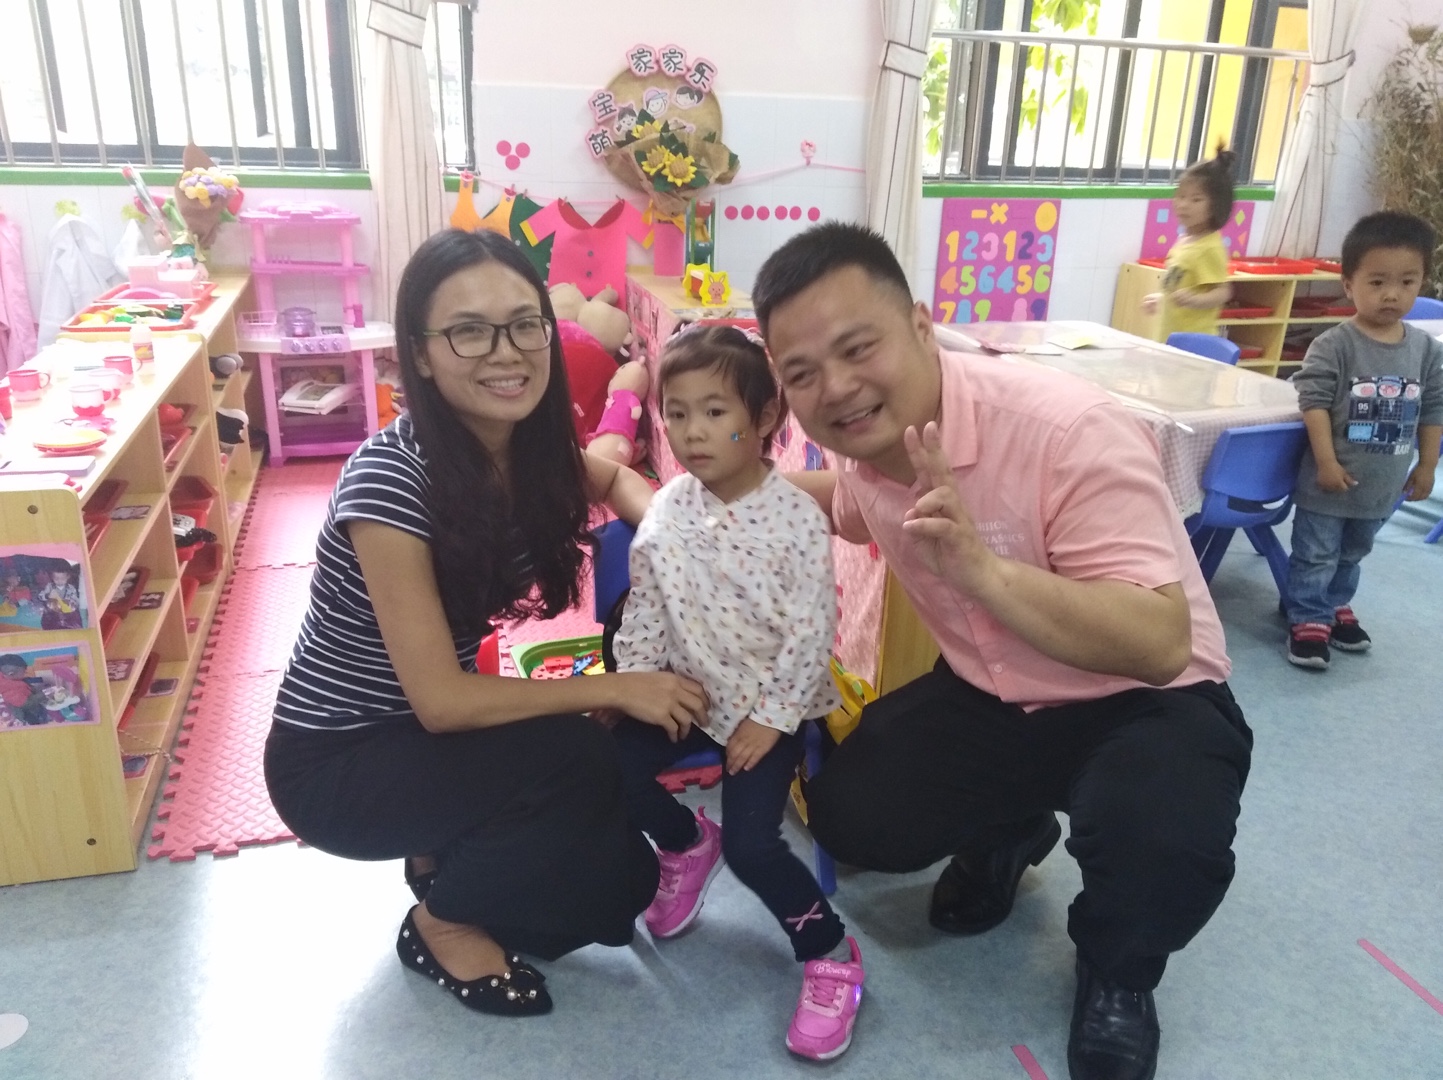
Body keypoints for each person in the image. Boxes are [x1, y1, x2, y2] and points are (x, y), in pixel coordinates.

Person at [752, 223, 1253, 1080]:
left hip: (1144, 700)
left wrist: (983, 572)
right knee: (849, 814)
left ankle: (1118, 970)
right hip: (993, 691)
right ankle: (1011, 830)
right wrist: (713, 496)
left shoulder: (1068, 429)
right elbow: (844, 506)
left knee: (1161, 840)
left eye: (857, 348)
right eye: (800, 373)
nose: (834, 387)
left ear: (920, 325)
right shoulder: (872, 446)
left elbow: (1158, 643)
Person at [263, 228, 708, 1017]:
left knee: (617, 881)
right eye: (469, 330)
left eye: (523, 324)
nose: (506, 352)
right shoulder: (390, 483)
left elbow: (617, 480)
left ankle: (443, 848)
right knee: (583, 767)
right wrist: (617, 685)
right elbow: (442, 701)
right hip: (340, 763)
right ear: (421, 353)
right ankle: (441, 922)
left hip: (426, 736)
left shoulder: (523, 452)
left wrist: (672, 543)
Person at [607, 325, 864, 1062]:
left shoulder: (795, 521)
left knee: (754, 847)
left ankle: (830, 952)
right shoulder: (667, 510)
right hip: (690, 690)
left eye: (715, 412)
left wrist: (772, 719)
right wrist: (633, 685)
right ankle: (688, 844)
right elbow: (647, 607)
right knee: (608, 771)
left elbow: (812, 633)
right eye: (677, 413)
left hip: (768, 704)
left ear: (764, 419)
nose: (692, 431)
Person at [1284, 211, 1443, 669]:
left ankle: (1334, 603)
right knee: (1316, 553)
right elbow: (1313, 402)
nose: (1392, 294)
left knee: (1353, 553)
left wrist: (1427, 465)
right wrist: (1326, 462)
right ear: (1349, 284)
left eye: (1407, 282)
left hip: (1382, 484)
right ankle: (1307, 616)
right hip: (1329, 482)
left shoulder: (1426, 351)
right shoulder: (1335, 344)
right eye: (1377, 282)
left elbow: (1433, 409)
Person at [1143, 145, 1236, 337]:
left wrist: (1195, 300)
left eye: (1196, 200)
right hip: (1169, 336)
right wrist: (1162, 298)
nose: (1184, 205)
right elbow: (1180, 284)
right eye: (1181, 196)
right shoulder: (1185, 240)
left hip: (1194, 340)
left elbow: (1223, 292)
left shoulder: (1209, 247)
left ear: (1216, 206)